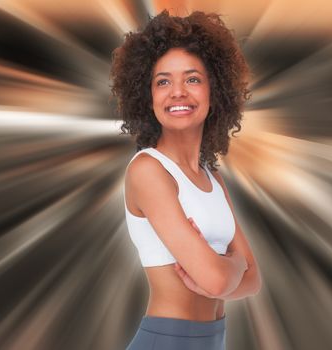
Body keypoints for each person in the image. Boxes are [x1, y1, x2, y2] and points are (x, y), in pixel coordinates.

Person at [111, 9, 262, 350]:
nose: (177, 92)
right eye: (163, 81)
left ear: (215, 90)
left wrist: (227, 271)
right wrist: (233, 264)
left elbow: (253, 282)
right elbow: (218, 278)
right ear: (148, 97)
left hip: (213, 341)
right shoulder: (147, 171)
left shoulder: (213, 179)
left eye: (192, 79)